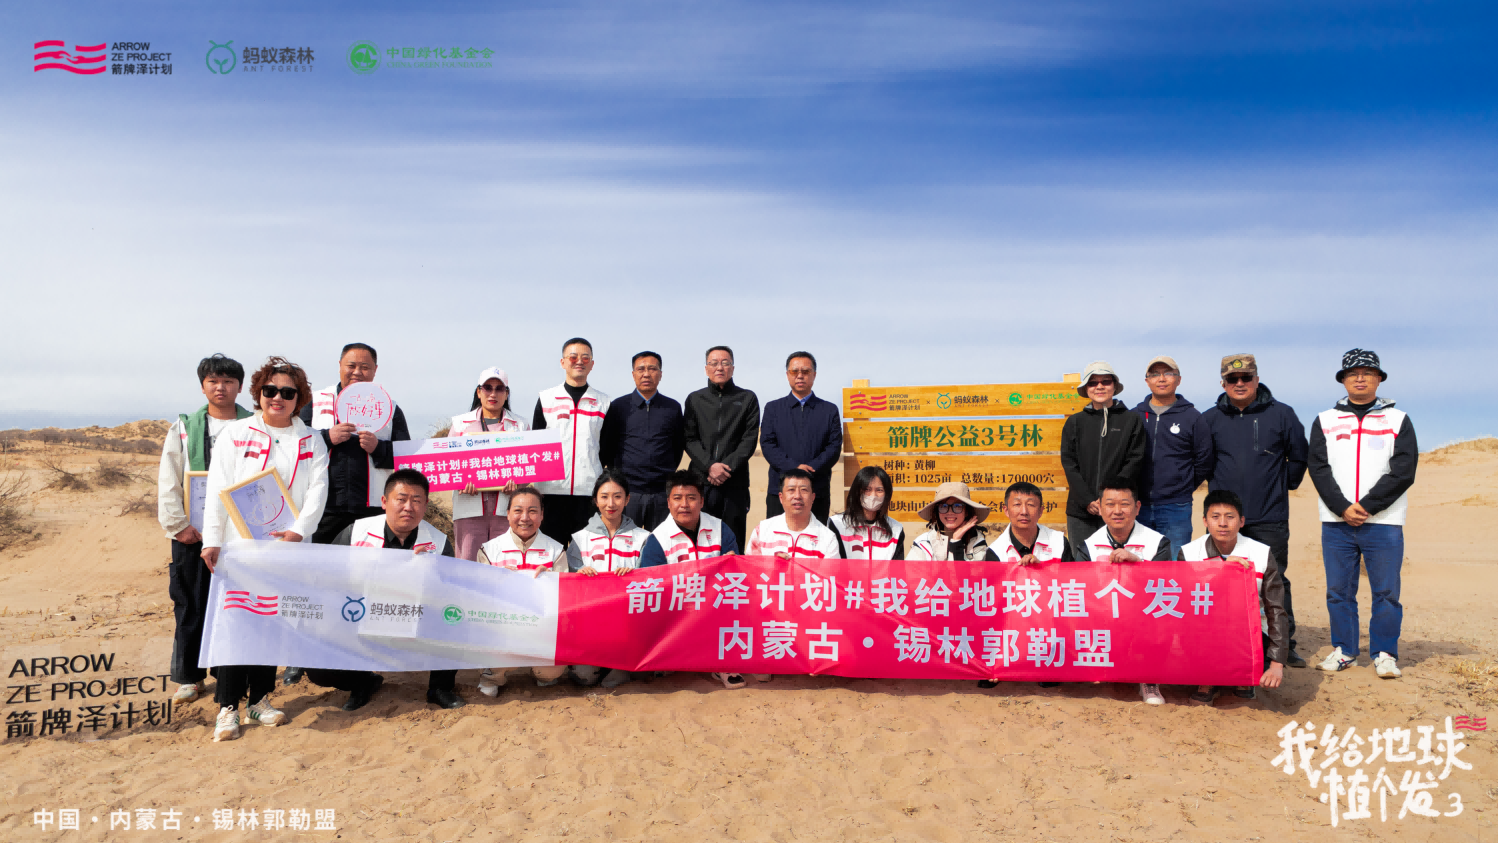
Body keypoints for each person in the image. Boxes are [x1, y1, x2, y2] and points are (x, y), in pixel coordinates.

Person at [200, 357, 330, 742]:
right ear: (258, 393)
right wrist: (212, 540)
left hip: (286, 549)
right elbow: (218, 488)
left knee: (271, 622)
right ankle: (227, 707)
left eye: (288, 393)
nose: (278, 398)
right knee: (236, 623)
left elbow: (318, 491)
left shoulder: (312, 440)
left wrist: (299, 532)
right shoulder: (236, 433)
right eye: (270, 390)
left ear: (299, 399)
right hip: (240, 548)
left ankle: (259, 700)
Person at [292, 342, 409, 687]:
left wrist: (380, 448)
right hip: (322, 509)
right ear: (340, 366)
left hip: (370, 511)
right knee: (313, 581)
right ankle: (300, 657)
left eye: (365, 367)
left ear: (375, 371)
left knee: (363, 586)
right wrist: (325, 437)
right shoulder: (316, 403)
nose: (358, 372)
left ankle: (360, 661)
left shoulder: (390, 407)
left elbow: (406, 457)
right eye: (351, 365)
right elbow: (293, 444)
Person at [1307, 349, 1417, 678]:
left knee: (1386, 592)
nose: (1360, 378)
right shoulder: (1325, 420)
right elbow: (1318, 468)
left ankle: (1384, 654)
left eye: (1368, 372)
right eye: (1353, 373)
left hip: (1383, 521)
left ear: (1379, 378)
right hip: (1336, 521)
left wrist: (1367, 506)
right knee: (1339, 591)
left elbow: (1403, 471)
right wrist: (1342, 507)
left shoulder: (1398, 420)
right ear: (1343, 380)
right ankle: (1345, 651)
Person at [1201, 353, 1310, 669]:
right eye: (1232, 379)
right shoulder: (1209, 419)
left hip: (1269, 515)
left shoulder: (1282, 414)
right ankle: (1227, 640)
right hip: (1225, 520)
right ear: (1223, 383)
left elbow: (1298, 456)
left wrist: (1282, 485)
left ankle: (1283, 647)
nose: (1239, 383)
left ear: (1256, 379)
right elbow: (1202, 461)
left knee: (1275, 582)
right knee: (1221, 580)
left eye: (1245, 377)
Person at [323, 468, 465, 710]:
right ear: (384, 502)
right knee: (320, 669)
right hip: (362, 617)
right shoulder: (356, 533)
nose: (408, 507)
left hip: (414, 620)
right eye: (401, 499)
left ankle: (440, 688)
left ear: (426, 505)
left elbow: (449, 594)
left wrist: (430, 574)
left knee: (454, 618)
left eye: (416, 500)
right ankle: (362, 682)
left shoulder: (438, 543)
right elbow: (328, 576)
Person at [157, 353, 253, 704]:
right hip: (193, 534)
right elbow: (169, 478)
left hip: (240, 535)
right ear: (202, 386)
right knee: (190, 604)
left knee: (238, 606)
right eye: (213, 381)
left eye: (228, 381)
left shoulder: (255, 426)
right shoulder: (184, 428)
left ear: (240, 387)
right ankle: (189, 676)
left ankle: (232, 676)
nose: (220, 387)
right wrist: (178, 525)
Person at [1179, 490, 1291, 706]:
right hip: (1205, 630)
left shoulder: (1261, 553)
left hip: (1250, 631)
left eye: (1230, 517)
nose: (1223, 523)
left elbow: (1276, 609)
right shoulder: (1189, 553)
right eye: (1215, 517)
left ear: (1241, 522)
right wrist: (1221, 571)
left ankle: (1245, 675)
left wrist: (1277, 664)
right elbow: (1185, 603)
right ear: (1205, 521)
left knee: (1254, 626)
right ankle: (1206, 679)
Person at [1078, 477, 1171, 706]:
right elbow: (1080, 587)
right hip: (1104, 614)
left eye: (1125, 504)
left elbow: (1166, 584)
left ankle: (1149, 678)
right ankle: (1098, 665)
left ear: (1137, 508)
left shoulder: (1157, 542)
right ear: (1100, 508)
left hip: (1144, 613)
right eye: (1110, 504)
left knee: (1163, 615)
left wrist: (1138, 563)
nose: (1117, 511)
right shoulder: (1088, 545)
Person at [475, 486, 570, 694]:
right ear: (508, 514)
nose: (525, 518)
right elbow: (479, 598)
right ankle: (492, 678)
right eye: (518, 511)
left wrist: (551, 580)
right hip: (502, 628)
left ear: (542, 515)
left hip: (542, 628)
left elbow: (564, 599)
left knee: (550, 672)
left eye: (533, 511)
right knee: (493, 654)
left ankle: (540, 672)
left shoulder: (555, 550)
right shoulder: (489, 550)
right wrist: (495, 581)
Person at [566, 470, 652, 689]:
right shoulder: (580, 538)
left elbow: (651, 579)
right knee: (584, 677)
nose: (610, 503)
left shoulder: (643, 538)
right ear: (595, 500)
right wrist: (579, 573)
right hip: (590, 621)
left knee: (619, 678)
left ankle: (620, 666)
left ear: (627, 499)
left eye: (617, 496)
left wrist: (636, 575)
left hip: (628, 622)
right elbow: (569, 580)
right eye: (604, 497)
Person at [1132, 355, 1214, 558]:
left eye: (1168, 373)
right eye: (1155, 374)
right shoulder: (1134, 416)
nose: (1161, 379)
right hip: (1137, 506)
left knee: (1175, 566)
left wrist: (1183, 486)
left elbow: (1204, 459)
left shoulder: (1192, 417)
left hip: (1176, 508)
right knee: (1138, 565)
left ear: (1178, 379)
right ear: (1147, 381)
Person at [1060, 361, 1147, 550]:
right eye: (1093, 383)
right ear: (1086, 388)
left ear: (1114, 386)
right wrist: (1087, 500)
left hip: (1118, 511)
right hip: (1081, 511)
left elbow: (1135, 460)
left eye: (1105, 381)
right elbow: (1069, 463)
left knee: (1118, 562)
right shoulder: (1075, 422)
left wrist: (1110, 500)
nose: (1099, 386)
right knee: (1082, 563)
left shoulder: (1131, 420)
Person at [533, 338, 610, 545]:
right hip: (550, 492)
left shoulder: (603, 402)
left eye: (585, 358)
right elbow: (536, 445)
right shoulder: (546, 399)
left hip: (588, 493)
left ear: (592, 364)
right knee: (551, 554)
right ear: (563, 362)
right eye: (573, 357)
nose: (579, 362)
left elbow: (606, 449)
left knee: (586, 555)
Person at [683, 346, 760, 552]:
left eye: (725, 363)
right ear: (706, 368)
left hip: (734, 483)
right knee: (699, 542)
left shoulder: (747, 398)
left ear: (732, 368)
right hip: (701, 482)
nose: (720, 368)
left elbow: (749, 439)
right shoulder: (694, 399)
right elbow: (689, 439)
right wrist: (710, 466)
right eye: (714, 363)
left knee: (732, 543)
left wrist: (725, 468)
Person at [448, 367, 529, 561]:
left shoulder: (521, 425)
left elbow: (528, 465)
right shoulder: (460, 424)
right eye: (487, 388)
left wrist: (518, 484)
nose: (493, 394)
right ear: (478, 392)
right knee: (468, 564)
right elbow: (449, 464)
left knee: (505, 563)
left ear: (507, 394)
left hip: (507, 510)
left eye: (499, 388)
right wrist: (461, 482)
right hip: (469, 508)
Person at [599, 351, 684, 531]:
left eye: (652, 369)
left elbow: (677, 447)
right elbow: (608, 446)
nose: (646, 374)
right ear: (633, 374)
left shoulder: (672, 408)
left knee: (660, 543)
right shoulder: (618, 407)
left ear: (660, 374)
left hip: (662, 493)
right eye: (641, 369)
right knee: (625, 541)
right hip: (628, 492)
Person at [760, 351, 843, 522]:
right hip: (780, 490)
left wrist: (810, 469)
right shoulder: (773, 409)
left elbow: (834, 447)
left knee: (816, 536)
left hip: (816, 490)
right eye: (794, 371)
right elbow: (768, 444)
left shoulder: (829, 410)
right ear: (787, 375)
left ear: (814, 375)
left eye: (805, 371)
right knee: (777, 536)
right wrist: (794, 468)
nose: (800, 376)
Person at [638, 469, 741, 567]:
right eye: (677, 498)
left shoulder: (720, 529)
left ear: (701, 502)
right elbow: (652, 578)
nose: (684, 504)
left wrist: (733, 563)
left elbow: (734, 573)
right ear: (668, 503)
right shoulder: (657, 540)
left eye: (691, 498)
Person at [744, 468, 840, 560]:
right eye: (791, 490)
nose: (797, 496)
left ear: (813, 498)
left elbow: (830, 572)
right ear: (781, 498)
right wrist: (773, 565)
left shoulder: (828, 539)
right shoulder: (762, 531)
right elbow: (749, 568)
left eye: (804, 490)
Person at [985, 482, 1074, 563]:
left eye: (1030, 505)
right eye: (1017, 504)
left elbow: (1070, 575)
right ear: (1006, 510)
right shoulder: (995, 551)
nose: (1024, 512)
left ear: (1040, 511)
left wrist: (1041, 569)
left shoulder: (1059, 543)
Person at [829, 466, 904, 560]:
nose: (873, 495)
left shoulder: (896, 529)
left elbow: (897, 568)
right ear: (857, 491)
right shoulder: (837, 524)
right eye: (867, 489)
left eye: (879, 490)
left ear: (887, 494)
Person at [908, 482, 991, 561]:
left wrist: (956, 542)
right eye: (943, 506)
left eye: (957, 506)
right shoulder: (923, 543)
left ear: (967, 511)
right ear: (937, 511)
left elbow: (974, 571)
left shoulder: (977, 542)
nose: (950, 512)